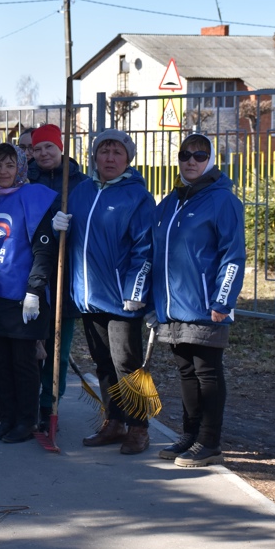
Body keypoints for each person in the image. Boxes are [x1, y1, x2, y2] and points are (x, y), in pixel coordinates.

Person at [54, 129, 155, 455]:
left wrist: (135, 290)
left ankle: (140, 427)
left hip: (122, 298)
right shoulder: (80, 191)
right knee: (102, 363)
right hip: (88, 295)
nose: (109, 158)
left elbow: (144, 248)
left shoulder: (136, 196)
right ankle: (114, 421)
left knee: (128, 363)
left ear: (127, 159)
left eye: (117, 153)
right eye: (104, 152)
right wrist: (60, 229)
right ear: (94, 156)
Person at [151, 133, 245, 467]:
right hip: (173, 307)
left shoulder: (223, 201)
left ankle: (210, 442)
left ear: (212, 160)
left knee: (207, 371)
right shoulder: (172, 202)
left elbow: (232, 255)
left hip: (206, 306)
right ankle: (190, 436)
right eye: (185, 154)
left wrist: (222, 301)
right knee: (186, 371)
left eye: (200, 155)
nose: (191, 161)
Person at [0, 143, 57, 443]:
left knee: (23, 362)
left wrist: (35, 288)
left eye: (9, 165)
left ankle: (26, 419)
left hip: (23, 298)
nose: (3, 171)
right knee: (1, 363)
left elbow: (44, 249)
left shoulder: (35, 199)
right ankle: (6, 417)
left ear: (20, 167)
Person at [26, 124, 89, 432]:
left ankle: (49, 406)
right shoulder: (26, 179)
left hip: (65, 277)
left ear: (61, 148)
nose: (43, 154)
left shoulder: (80, 182)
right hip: (30, 275)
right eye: (37, 149)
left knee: (57, 350)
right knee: (25, 347)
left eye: (49, 147)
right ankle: (19, 403)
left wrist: (70, 228)